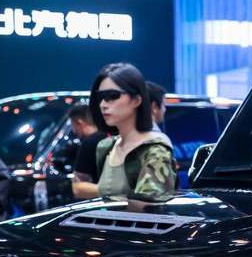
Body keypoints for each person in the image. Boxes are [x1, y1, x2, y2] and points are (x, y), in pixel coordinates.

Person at [72, 62, 177, 201]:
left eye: (112, 96)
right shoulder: (106, 147)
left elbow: (150, 207)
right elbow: (79, 188)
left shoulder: (155, 149)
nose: (103, 104)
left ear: (136, 100)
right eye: (100, 97)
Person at [69, 103, 108, 189]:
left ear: (79, 122)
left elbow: (79, 182)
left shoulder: (87, 144)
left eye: (73, 125)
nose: (73, 131)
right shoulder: (108, 138)